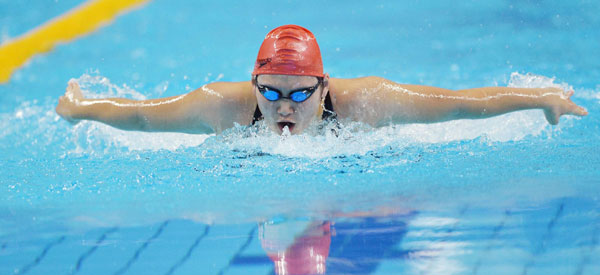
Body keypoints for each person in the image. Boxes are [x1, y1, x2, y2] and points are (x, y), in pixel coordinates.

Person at [56, 24, 588, 136]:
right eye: (269, 93)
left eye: (298, 94)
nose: (283, 107)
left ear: (325, 87)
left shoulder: (367, 103)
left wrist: (536, 98)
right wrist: (80, 108)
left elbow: (458, 105)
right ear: (254, 82)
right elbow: (145, 114)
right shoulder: (221, 106)